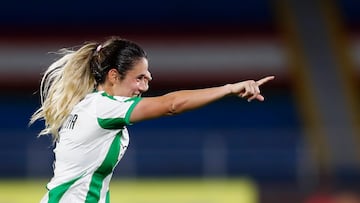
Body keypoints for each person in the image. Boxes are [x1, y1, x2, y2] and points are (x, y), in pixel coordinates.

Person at [30, 36, 275, 203]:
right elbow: (171, 105)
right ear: (114, 76)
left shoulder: (91, 105)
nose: (145, 86)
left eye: (148, 79)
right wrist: (230, 88)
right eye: (140, 78)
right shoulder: (104, 108)